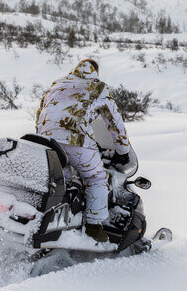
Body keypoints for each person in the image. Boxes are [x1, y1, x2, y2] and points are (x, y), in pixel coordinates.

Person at [35, 59, 130, 242]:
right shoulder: (97, 86)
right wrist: (123, 150)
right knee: (96, 178)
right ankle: (94, 227)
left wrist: (44, 137)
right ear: (95, 72)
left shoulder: (58, 83)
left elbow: (40, 112)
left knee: (62, 181)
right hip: (76, 138)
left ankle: (63, 222)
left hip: (47, 140)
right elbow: (113, 121)